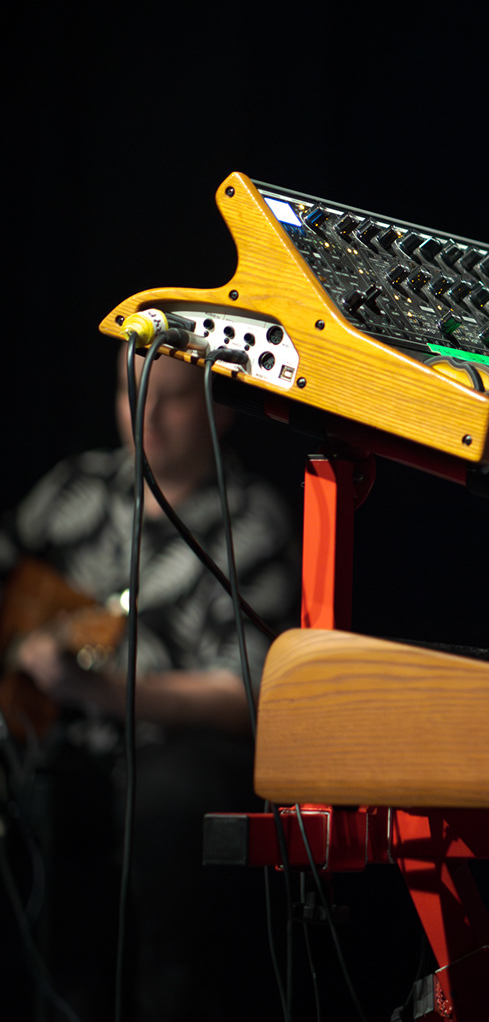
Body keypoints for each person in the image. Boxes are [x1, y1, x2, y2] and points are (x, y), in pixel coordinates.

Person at [1, 346, 293, 1021]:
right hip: (62, 743)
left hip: (178, 757)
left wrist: (103, 691)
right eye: (129, 392)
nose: (145, 415)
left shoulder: (252, 519)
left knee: (169, 802)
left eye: (173, 397)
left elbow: (248, 694)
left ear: (221, 408)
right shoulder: (77, 486)